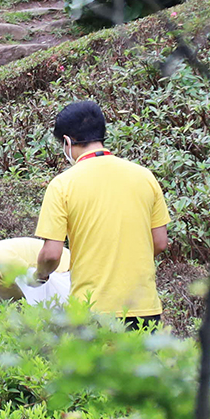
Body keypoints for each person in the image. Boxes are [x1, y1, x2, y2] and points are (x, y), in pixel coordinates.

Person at [33, 101, 170, 329]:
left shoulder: (62, 185)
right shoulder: (145, 177)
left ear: (67, 142)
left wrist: (40, 275)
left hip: (92, 311)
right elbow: (160, 242)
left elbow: (51, 254)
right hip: (144, 307)